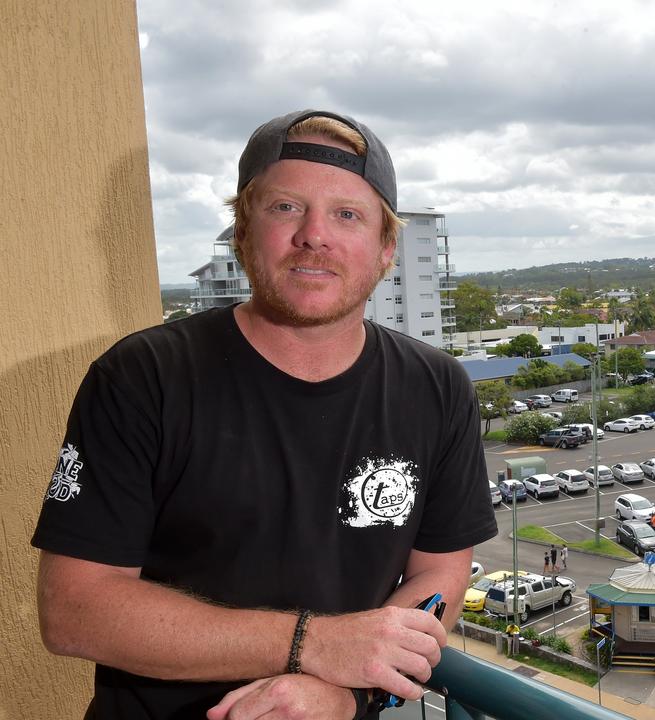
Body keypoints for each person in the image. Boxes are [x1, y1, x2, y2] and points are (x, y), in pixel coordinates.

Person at [31, 109, 498, 720]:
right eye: (285, 208)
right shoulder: (143, 376)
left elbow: (440, 575)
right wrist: (313, 645)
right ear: (243, 232)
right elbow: (74, 611)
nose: (314, 235)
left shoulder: (437, 387)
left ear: (385, 250)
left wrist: (343, 694)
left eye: (347, 214)